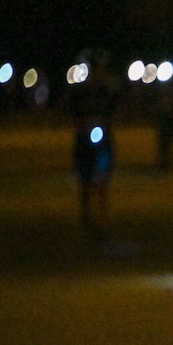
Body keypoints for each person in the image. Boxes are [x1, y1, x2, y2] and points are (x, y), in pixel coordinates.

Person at [69, 51, 120, 236]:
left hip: (104, 139)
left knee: (103, 176)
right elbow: (72, 113)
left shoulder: (107, 91)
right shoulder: (79, 92)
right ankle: (86, 213)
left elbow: (115, 109)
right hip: (84, 139)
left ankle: (102, 214)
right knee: (85, 178)